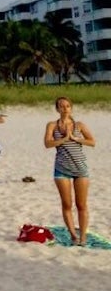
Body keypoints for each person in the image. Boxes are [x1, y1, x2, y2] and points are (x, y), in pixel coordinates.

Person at [44, 96, 95, 245]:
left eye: (67, 106)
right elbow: (47, 144)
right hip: (62, 169)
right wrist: (64, 139)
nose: (65, 108)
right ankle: (73, 236)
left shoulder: (79, 125)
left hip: (80, 168)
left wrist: (75, 138)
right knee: (67, 204)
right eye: (61, 106)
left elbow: (92, 142)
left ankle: (83, 237)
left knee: (82, 205)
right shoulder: (52, 125)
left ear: (71, 108)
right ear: (57, 109)